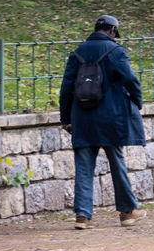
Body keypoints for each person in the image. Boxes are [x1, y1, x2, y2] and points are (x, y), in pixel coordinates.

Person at [60, 15, 147, 229]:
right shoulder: (116, 51)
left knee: (83, 167)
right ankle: (127, 213)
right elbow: (131, 79)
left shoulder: (77, 53)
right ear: (112, 31)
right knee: (117, 164)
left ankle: (83, 216)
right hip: (111, 118)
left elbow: (66, 89)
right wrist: (138, 102)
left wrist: (66, 119)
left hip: (82, 119)